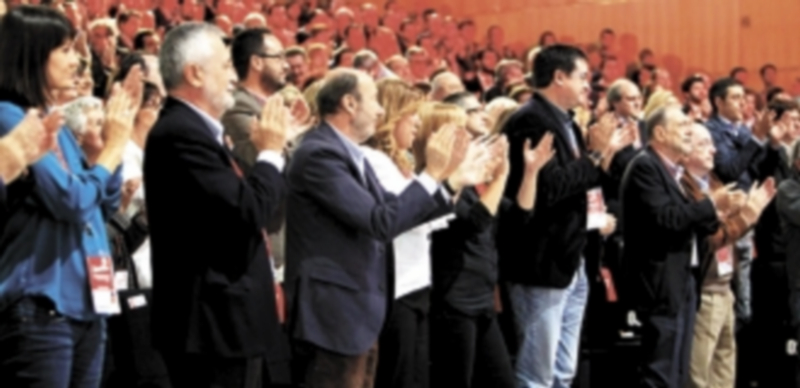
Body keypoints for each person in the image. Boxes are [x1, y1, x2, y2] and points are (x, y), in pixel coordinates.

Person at [284, 68, 469, 388]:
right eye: (374, 100)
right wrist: (431, 175)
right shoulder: (319, 153)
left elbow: (390, 209)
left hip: (358, 311)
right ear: (349, 103)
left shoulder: (347, 152)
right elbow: (379, 221)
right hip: (334, 314)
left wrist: (448, 182)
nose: (381, 110)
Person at [143, 22, 291, 388]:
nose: (233, 77)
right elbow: (247, 211)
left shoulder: (197, 132)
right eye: (225, 66)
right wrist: (270, 153)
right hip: (211, 328)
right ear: (195, 73)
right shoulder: (181, 133)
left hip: (225, 324)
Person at [0, 6, 137, 387]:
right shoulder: (10, 117)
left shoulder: (54, 120)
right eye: (64, 49)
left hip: (88, 303)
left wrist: (106, 150)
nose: (76, 60)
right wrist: (113, 150)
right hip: (41, 302)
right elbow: (71, 201)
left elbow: (102, 206)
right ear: (31, 53)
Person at [498, 44, 631, 388]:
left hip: (572, 258)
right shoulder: (530, 120)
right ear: (559, 77)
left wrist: (606, 155)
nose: (589, 85)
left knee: (564, 371)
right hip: (540, 262)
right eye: (582, 77)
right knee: (536, 374)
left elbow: (583, 183)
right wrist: (597, 154)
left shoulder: (566, 121)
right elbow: (549, 189)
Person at [621, 104, 734, 388]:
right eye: (682, 126)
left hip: (683, 280)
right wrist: (711, 204)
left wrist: (717, 215)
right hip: (659, 283)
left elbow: (687, 219)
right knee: (660, 370)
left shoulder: (674, 171)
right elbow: (666, 219)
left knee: (678, 369)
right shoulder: (645, 166)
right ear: (660, 133)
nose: (688, 131)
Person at [222, 27, 289, 168]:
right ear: (257, 62)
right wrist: (293, 134)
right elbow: (260, 161)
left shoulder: (277, 103)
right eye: (279, 57)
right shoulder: (237, 107)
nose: (286, 66)